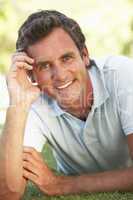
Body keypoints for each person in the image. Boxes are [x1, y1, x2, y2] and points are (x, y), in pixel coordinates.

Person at [1, 10, 133, 200]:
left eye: (66, 58)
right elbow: (8, 192)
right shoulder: (31, 101)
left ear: (84, 56)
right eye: (44, 66)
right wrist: (18, 103)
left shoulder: (121, 74)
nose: (60, 75)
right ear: (31, 74)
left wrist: (63, 185)